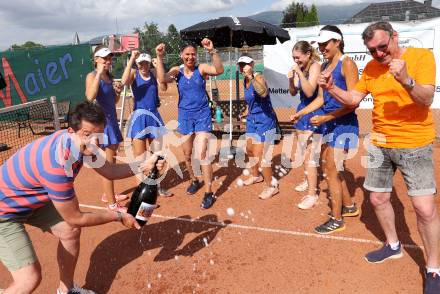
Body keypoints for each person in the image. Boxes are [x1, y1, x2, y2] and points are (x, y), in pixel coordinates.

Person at [318, 21, 440, 293]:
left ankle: (433, 269)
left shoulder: (421, 57)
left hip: (414, 143)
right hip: (380, 142)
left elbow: (427, 98)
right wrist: (330, 88)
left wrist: (406, 80)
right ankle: (393, 245)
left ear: (394, 38)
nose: (378, 54)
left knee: (424, 209)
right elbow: (352, 99)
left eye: (382, 47)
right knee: (377, 198)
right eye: (372, 50)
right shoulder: (372, 68)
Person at [0, 101, 165, 294]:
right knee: (29, 279)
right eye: (87, 135)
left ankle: (66, 289)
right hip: (5, 212)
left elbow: (109, 170)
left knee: (69, 231)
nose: (95, 143)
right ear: (71, 131)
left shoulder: (83, 144)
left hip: (29, 199)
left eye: (98, 136)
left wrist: (145, 164)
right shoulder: (57, 166)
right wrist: (119, 216)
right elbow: (76, 217)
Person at [292, 25, 360, 234]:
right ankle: (348, 206)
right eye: (319, 44)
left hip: (344, 123)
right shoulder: (323, 66)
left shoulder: (347, 63)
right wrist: (302, 114)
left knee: (330, 170)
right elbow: (321, 98)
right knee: (332, 168)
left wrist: (326, 117)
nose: (322, 48)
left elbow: (353, 102)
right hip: (329, 122)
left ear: (337, 41)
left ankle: (337, 219)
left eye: (325, 44)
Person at [155, 38, 224, 209]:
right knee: (186, 154)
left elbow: (219, 69)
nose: (190, 57)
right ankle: (194, 180)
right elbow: (162, 79)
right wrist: (159, 57)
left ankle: (208, 191)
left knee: (202, 154)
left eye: (193, 54)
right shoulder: (176, 71)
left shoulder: (201, 69)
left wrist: (212, 50)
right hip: (185, 116)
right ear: (181, 55)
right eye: (187, 54)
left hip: (202, 115)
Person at [121, 47, 172, 197]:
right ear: (137, 64)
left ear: (150, 64)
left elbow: (163, 84)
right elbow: (124, 81)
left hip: (154, 117)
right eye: (141, 64)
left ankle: (156, 187)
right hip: (139, 118)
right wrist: (131, 59)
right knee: (140, 158)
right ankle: (141, 191)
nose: (143, 66)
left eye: (146, 64)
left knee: (157, 155)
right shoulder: (133, 73)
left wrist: (159, 62)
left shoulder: (155, 74)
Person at [85, 46, 128, 212]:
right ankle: (112, 204)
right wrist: (98, 74)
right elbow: (90, 97)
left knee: (113, 160)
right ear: (96, 59)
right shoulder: (92, 76)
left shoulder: (109, 77)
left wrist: (118, 91)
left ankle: (107, 194)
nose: (108, 61)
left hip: (112, 122)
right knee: (109, 166)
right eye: (104, 58)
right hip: (103, 125)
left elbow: (113, 102)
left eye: (110, 58)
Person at [288, 40, 323, 209]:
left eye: (298, 57)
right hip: (302, 109)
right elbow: (294, 91)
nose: (296, 61)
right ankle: (307, 179)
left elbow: (310, 92)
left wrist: (299, 73)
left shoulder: (315, 66)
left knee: (310, 155)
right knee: (303, 150)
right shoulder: (300, 68)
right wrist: (290, 79)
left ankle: (312, 194)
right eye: (294, 58)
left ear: (308, 54)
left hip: (315, 112)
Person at [237, 56, 279, 199]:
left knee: (260, 155)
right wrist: (246, 112)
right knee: (249, 149)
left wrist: (251, 76)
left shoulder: (258, 77)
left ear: (252, 65)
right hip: (252, 119)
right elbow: (251, 102)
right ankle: (256, 176)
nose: (243, 67)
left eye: (246, 64)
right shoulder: (245, 80)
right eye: (241, 65)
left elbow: (263, 93)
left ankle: (271, 186)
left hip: (265, 119)